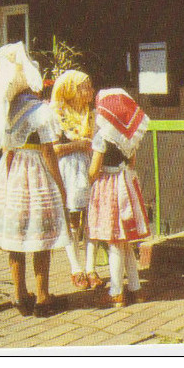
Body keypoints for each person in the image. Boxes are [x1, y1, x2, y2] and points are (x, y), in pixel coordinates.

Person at [0, 42, 72, 317]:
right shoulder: (41, 111)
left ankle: (20, 295)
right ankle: (42, 298)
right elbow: (48, 151)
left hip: (11, 171)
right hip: (36, 171)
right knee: (40, 236)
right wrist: (60, 187)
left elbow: (6, 148)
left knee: (15, 235)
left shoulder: (4, 108)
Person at [87, 88, 151, 307]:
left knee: (114, 240)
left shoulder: (102, 137)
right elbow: (132, 163)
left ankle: (116, 292)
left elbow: (95, 169)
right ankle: (136, 288)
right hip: (126, 183)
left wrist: (88, 179)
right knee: (124, 243)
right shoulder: (129, 137)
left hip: (108, 187)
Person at [51, 70, 105, 291]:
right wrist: (77, 145)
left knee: (92, 218)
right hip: (69, 171)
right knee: (72, 220)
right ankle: (76, 268)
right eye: (86, 86)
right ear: (71, 89)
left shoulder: (92, 115)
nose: (90, 91)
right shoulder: (56, 114)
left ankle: (91, 266)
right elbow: (52, 150)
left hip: (90, 167)